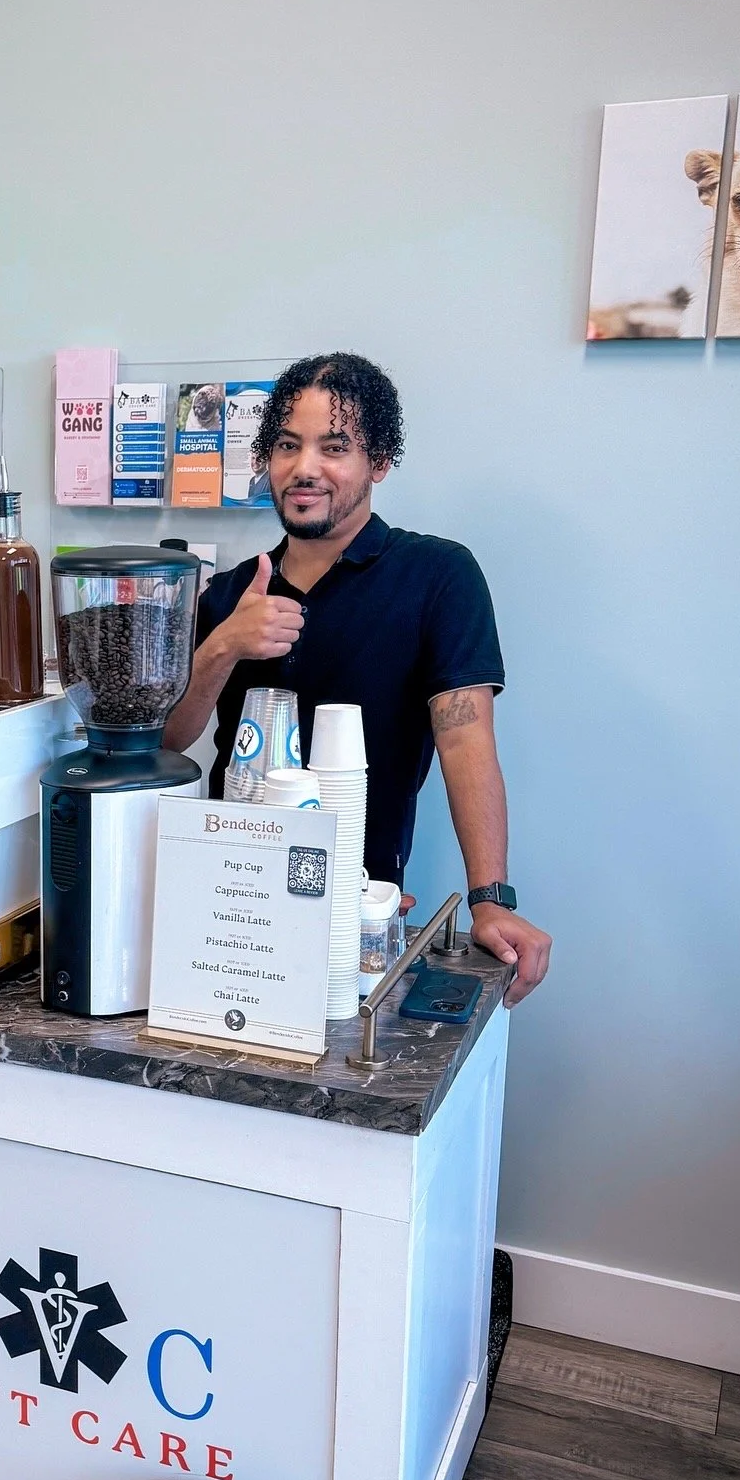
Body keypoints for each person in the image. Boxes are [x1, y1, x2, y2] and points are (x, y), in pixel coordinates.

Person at [163, 352, 551, 1005]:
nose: (304, 467)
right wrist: (222, 646)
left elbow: (466, 742)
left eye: (333, 447)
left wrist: (492, 899)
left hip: (359, 914)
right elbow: (172, 742)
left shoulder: (437, 575)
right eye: (287, 445)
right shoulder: (232, 591)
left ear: (379, 464)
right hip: (228, 907)